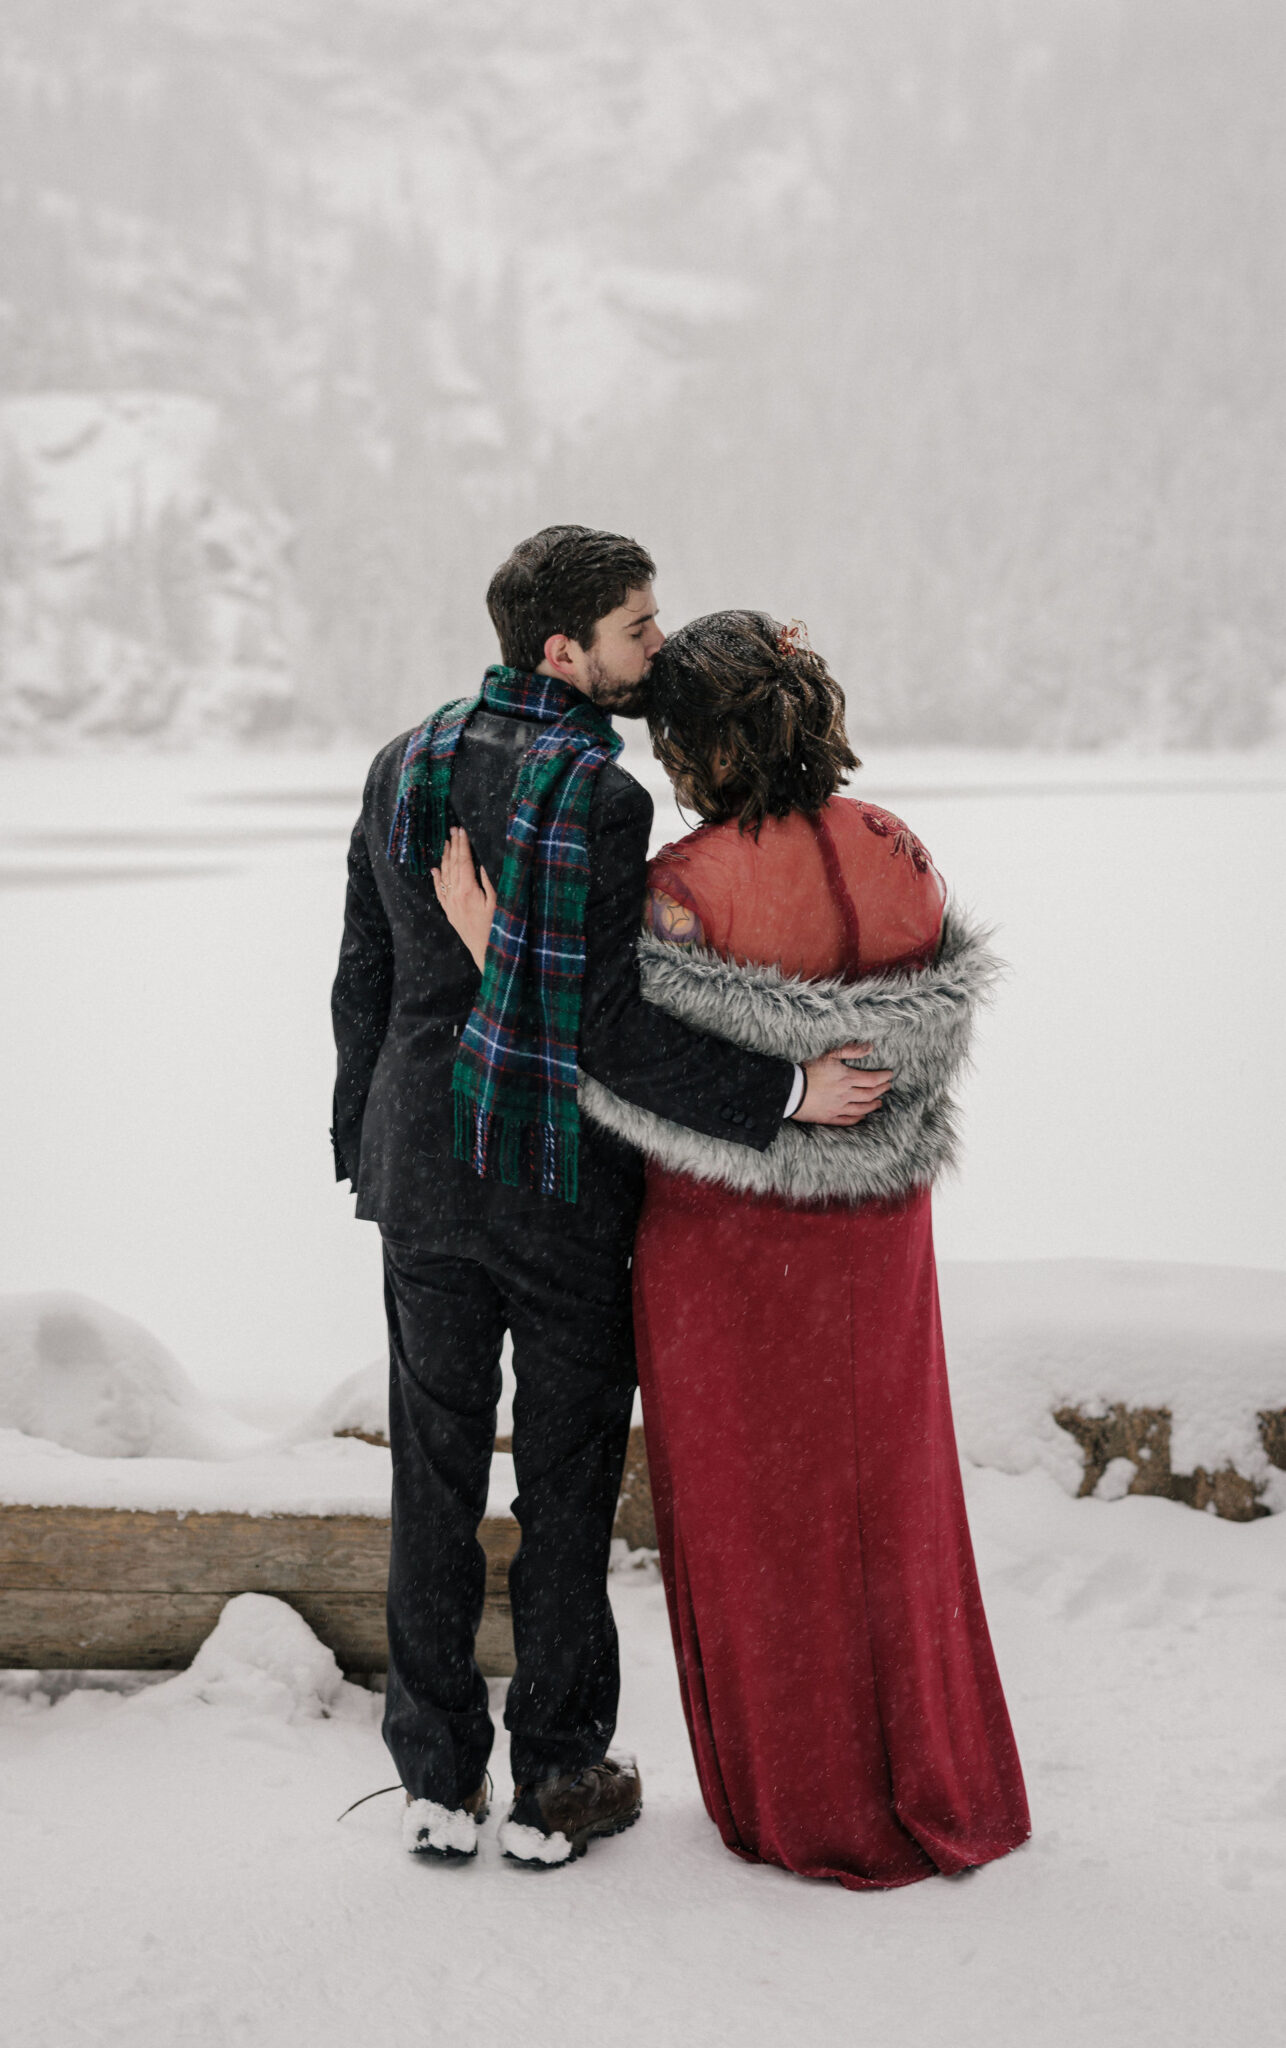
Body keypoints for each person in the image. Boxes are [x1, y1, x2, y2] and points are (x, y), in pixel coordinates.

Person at [438, 608, 1031, 1888]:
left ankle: (804, 1801)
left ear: (705, 744)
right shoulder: (902, 852)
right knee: (895, 1501)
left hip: (733, 1243)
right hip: (881, 1237)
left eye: (670, 742)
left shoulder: (684, 891)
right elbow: (898, 1048)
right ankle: (937, 1773)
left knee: (762, 1519)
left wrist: (498, 956)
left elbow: (617, 1070)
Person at [330, 532, 887, 1868]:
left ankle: (434, 1777)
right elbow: (610, 1028)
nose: (656, 645)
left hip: (425, 1175)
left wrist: (367, 1141)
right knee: (567, 1488)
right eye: (638, 628)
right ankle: (561, 1776)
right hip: (558, 1182)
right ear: (563, 650)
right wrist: (783, 1097)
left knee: (436, 1474)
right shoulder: (598, 792)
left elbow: (359, 972)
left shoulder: (404, 758)